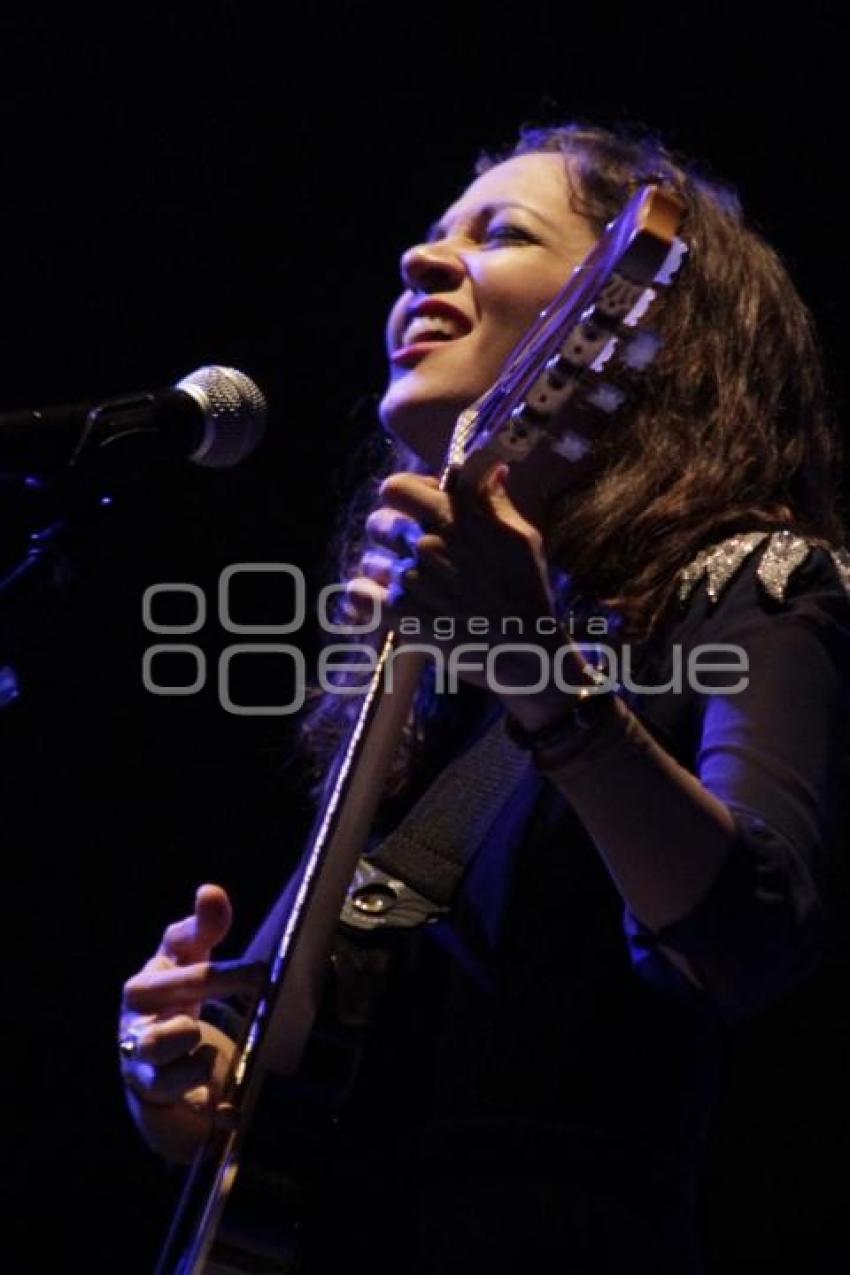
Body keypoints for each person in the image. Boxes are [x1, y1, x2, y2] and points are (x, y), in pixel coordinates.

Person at [118, 124, 850, 1273]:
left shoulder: (750, 583)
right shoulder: (419, 670)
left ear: (633, 323)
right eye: (433, 231)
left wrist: (535, 670)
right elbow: (269, 1046)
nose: (420, 260)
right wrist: (182, 1063)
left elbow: (746, 940)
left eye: (500, 233)